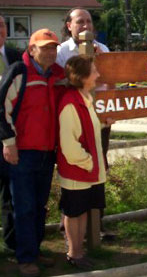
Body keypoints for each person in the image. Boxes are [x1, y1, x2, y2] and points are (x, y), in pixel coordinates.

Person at [0, 28, 65, 277]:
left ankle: (34, 250)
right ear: (31, 49)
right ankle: (25, 258)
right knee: (24, 206)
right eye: (45, 47)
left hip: (46, 153)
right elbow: (1, 108)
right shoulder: (19, 71)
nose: (50, 52)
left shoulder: (54, 75)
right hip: (22, 153)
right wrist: (9, 143)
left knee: (39, 206)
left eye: (53, 48)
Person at [56, 7, 114, 240]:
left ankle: (96, 226)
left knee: (99, 170)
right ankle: (69, 228)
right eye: (80, 21)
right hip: (74, 121)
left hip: (101, 121)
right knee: (75, 173)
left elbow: (112, 84)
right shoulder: (61, 52)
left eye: (89, 21)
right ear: (69, 25)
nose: (86, 26)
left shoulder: (105, 49)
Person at [58, 55, 111, 269]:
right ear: (82, 77)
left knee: (82, 212)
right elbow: (69, 146)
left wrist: (103, 124)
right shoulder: (70, 104)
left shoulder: (84, 99)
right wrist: (89, 162)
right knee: (74, 213)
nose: (98, 74)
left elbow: (88, 130)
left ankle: (79, 252)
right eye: (94, 71)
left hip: (86, 171)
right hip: (77, 171)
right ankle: (74, 253)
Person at [0, 14, 21, 254]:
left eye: (3, 25)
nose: (0, 30)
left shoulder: (16, 56)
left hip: (10, 136)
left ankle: (12, 244)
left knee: (9, 194)